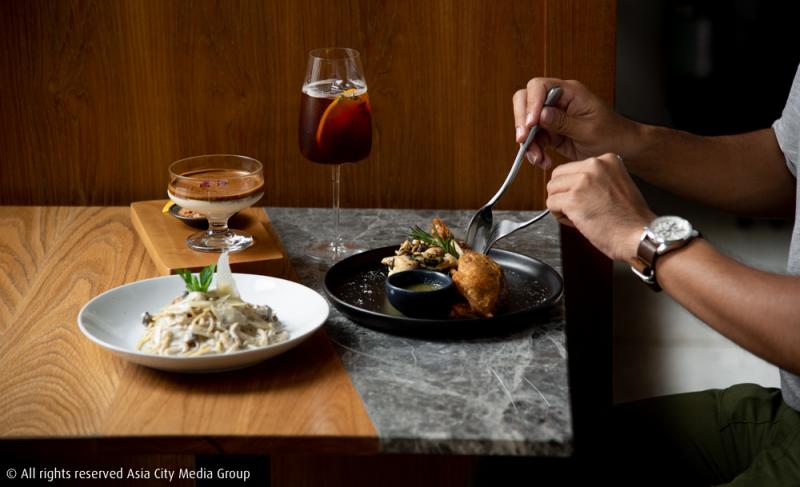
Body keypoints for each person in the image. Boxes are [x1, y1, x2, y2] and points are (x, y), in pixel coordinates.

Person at [513, 68, 800, 486]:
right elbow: (787, 167)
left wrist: (646, 240)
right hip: (792, 415)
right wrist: (624, 138)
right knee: (517, 461)